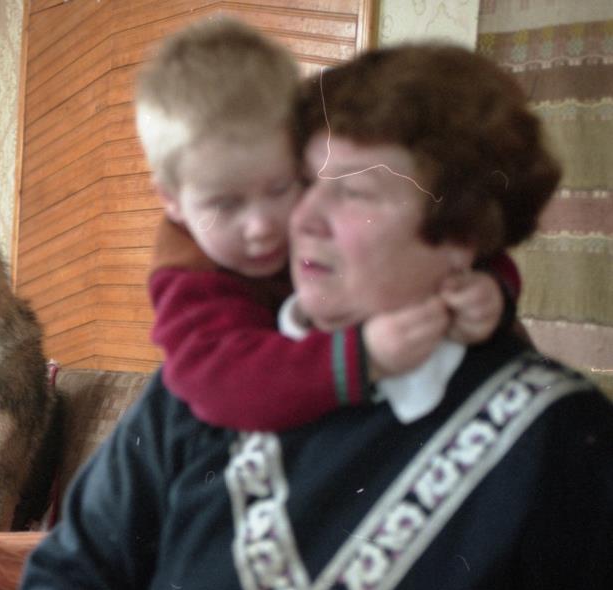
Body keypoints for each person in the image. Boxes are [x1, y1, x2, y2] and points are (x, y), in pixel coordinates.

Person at [19, 43, 613, 590]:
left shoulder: (557, 434)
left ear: (463, 233)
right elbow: (68, 577)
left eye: (355, 191)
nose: (304, 217)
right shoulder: (204, 387)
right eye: (299, 184)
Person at [136, 18, 513, 431]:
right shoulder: (189, 280)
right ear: (172, 201)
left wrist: (491, 288)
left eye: (282, 187)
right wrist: (363, 357)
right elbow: (223, 386)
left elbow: (451, 237)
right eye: (226, 205)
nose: (261, 226)